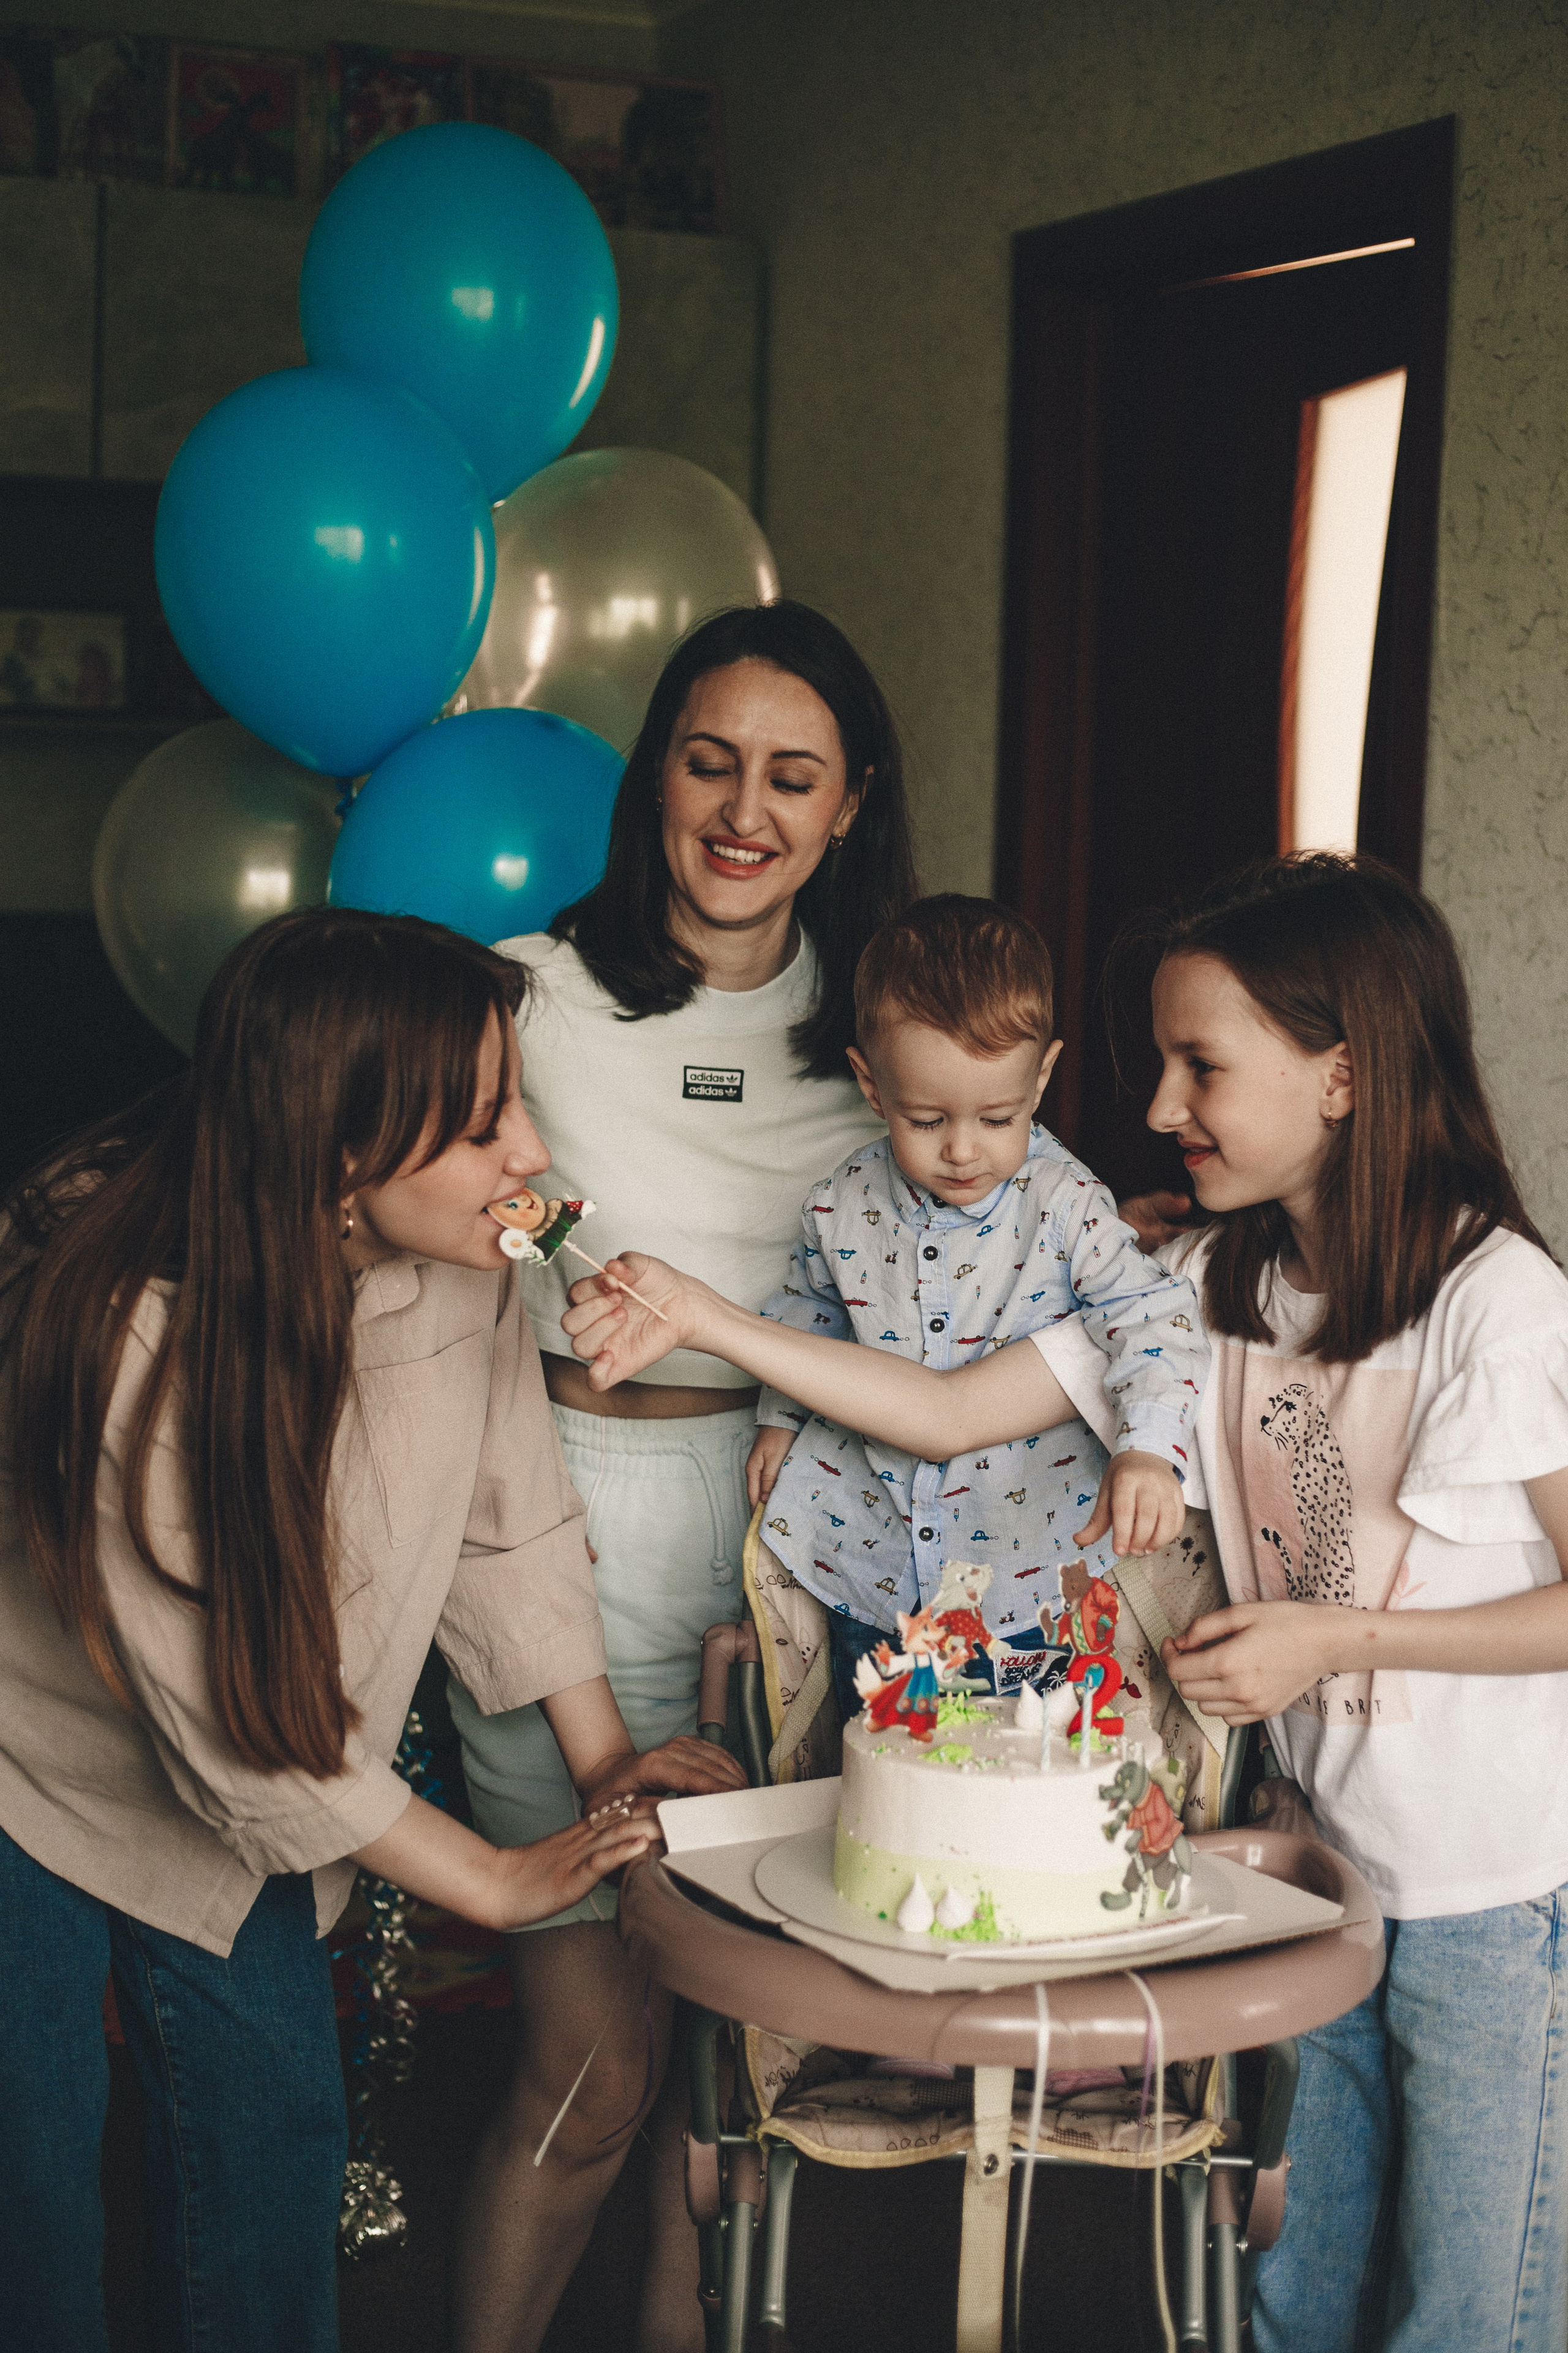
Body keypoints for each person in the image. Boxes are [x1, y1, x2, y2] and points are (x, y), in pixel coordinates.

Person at [568, 853, 1568, 2353]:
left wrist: (1337, 1637)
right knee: (1296, 2295)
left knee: (1462, 2318)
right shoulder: (1205, 1276)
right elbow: (950, 1410)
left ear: (1341, 1075)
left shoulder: (1494, 1304)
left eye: (1199, 1066)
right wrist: (717, 1328)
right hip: (1315, 1870)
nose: (1160, 1107)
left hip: (1493, 1896)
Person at [0, 908, 742, 2353]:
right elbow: (249, 1742)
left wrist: (603, 1764)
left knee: (271, 2153)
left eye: (515, 1096)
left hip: (261, 1787)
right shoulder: (130, 1329)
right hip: (32, 1759)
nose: (530, 1151)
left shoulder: (476, 1257)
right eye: (480, 1125)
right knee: (36, 2202)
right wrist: (496, 1880)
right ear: (341, 1156)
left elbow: (503, 1517)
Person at [447, 600, 918, 2353]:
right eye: (710, 762)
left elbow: (1005, 1234)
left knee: (731, 2063)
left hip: (792, 1549)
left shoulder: (884, 1037)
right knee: (598, 2056)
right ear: (657, 774)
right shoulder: (527, 993)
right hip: (551, 1514)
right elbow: (439, 1222)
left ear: (851, 803)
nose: (745, 811)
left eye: (793, 777)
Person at [745, 893, 1207, 1724]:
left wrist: (1148, 1449)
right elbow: (808, 1306)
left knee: (1011, 1788)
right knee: (882, 1770)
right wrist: (780, 1418)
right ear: (869, 1082)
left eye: (998, 1117)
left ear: (1042, 1074)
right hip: (872, 1559)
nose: (963, 1148)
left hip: (1022, 1577)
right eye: (927, 1119)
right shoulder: (839, 1202)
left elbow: (1153, 1315)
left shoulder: (1067, 1202)